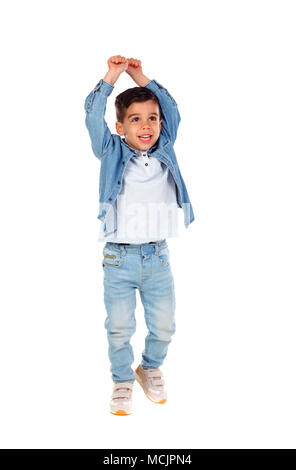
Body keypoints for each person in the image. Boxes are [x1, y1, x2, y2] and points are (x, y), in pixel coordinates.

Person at [84, 55, 195, 415]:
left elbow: (172, 109)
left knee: (164, 324)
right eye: (135, 119)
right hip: (119, 258)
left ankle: (148, 367)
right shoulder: (111, 150)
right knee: (119, 327)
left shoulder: (165, 148)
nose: (146, 126)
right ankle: (121, 380)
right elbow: (91, 116)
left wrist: (142, 78)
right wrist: (113, 77)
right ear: (120, 127)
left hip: (158, 257)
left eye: (152, 118)